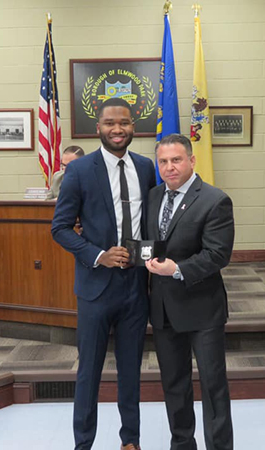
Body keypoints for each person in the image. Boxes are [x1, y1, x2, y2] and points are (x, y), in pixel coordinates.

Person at [51, 98, 156, 450]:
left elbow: (152, 224)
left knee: (131, 372)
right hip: (95, 288)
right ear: (98, 127)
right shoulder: (79, 171)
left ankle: (131, 441)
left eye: (124, 123)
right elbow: (61, 228)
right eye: (110, 123)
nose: (117, 129)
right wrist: (98, 255)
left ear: (133, 127)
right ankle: (83, 444)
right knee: (89, 373)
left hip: (136, 287)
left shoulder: (146, 167)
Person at [145, 133, 234, 450]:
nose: (169, 167)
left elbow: (218, 254)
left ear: (192, 160)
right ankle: (182, 444)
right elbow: (151, 243)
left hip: (201, 308)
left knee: (213, 386)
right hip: (164, 310)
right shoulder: (154, 197)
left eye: (176, 160)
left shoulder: (214, 199)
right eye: (163, 161)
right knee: (174, 384)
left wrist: (177, 269)